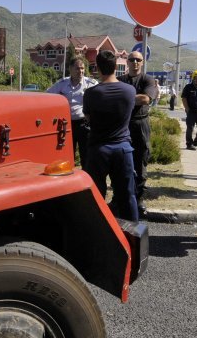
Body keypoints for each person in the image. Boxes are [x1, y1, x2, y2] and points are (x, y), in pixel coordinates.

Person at [82, 50, 139, 222]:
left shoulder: (91, 93)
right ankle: (134, 235)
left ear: (97, 68)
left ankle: (97, 231)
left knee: (96, 195)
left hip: (98, 149)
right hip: (123, 148)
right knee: (128, 195)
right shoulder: (129, 90)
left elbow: (88, 118)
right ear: (116, 67)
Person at [118, 50, 159, 216]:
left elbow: (145, 99)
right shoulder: (120, 80)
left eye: (138, 60)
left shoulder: (147, 79)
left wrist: (123, 96)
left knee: (140, 162)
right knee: (121, 162)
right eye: (132, 59)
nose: (135, 62)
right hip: (123, 124)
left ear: (142, 62)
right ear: (127, 62)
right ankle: (120, 197)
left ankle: (138, 198)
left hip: (141, 123)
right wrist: (133, 97)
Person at [47, 57, 97, 168]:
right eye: (78, 68)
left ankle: (86, 178)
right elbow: (48, 96)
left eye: (83, 68)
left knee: (86, 154)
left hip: (84, 124)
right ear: (70, 69)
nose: (81, 71)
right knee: (68, 154)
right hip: (67, 125)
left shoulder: (91, 84)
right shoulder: (62, 84)